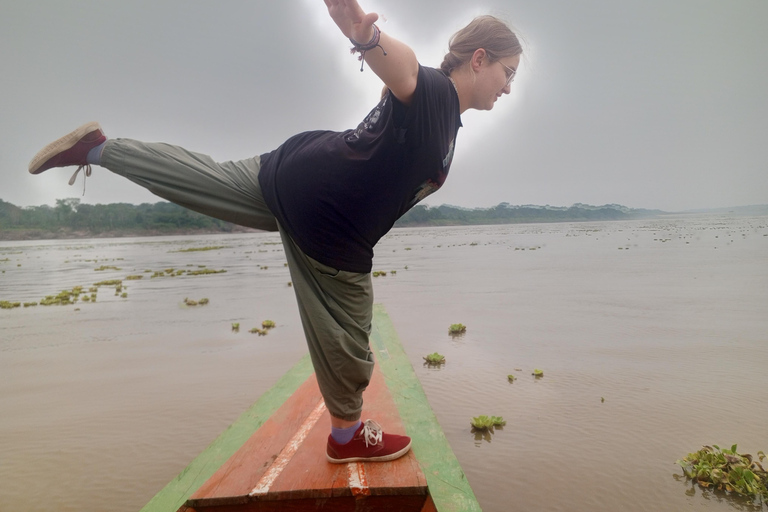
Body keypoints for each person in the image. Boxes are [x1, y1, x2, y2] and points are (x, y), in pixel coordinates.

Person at [28, 0, 522, 464]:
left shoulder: (447, 121)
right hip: (328, 219)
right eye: (508, 73)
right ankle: (346, 437)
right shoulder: (436, 93)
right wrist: (366, 35)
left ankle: (98, 149)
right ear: (479, 58)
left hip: (295, 167)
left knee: (200, 177)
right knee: (351, 339)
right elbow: (406, 70)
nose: (508, 87)